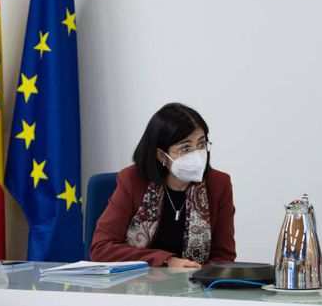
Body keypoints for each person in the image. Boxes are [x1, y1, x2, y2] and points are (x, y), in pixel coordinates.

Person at [90, 103, 235, 267]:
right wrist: (166, 261)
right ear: (161, 156)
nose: (197, 155)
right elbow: (101, 248)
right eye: (185, 148)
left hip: (195, 281)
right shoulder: (132, 180)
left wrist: (197, 274)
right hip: (138, 280)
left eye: (201, 144)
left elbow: (224, 256)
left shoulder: (219, 184)